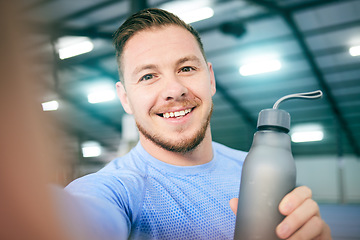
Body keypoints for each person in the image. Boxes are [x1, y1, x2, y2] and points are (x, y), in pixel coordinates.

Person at [64, 8, 332, 239]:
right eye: (148, 76)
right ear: (125, 99)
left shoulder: (254, 169)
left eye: (186, 68)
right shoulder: (118, 188)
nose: (174, 89)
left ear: (211, 79)